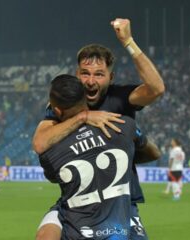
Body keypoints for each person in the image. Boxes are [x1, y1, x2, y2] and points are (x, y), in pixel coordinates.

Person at [33, 18, 164, 240]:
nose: (90, 81)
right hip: (80, 203)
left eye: (99, 74)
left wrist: (128, 41)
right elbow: (40, 142)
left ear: (110, 77)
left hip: (120, 200)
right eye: (85, 73)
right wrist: (84, 117)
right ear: (77, 74)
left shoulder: (120, 99)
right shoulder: (64, 106)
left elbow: (156, 88)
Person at [39, 74, 145, 239]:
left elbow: (52, 176)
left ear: (57, 110)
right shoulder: (125, 125)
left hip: (77, 228)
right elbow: (148, 148)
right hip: (120, 221)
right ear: (85, 100)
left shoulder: (51, 151)